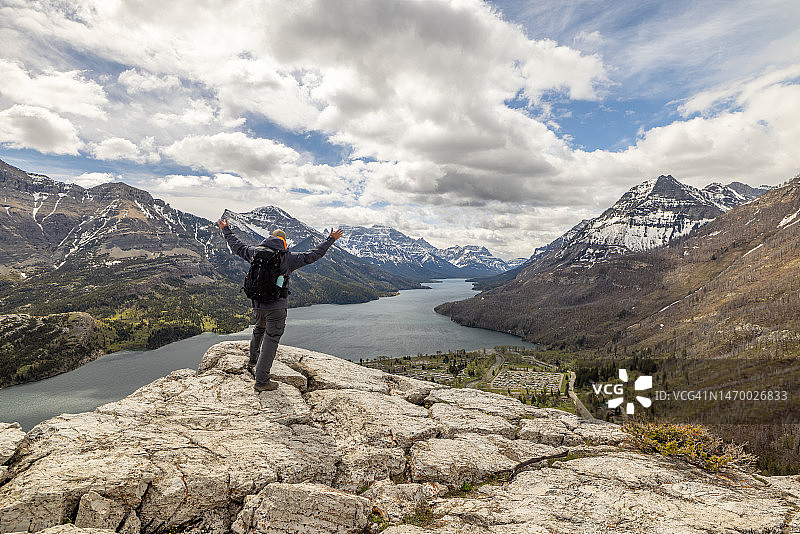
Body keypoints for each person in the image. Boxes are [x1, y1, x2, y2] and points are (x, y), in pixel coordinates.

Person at [217, 218, 344, 391]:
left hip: (257, 304)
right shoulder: (288, 257)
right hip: (276, 307)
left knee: (258, 329)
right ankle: (262, 381)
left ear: (269, 239)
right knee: (271, 339)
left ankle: (253, 360)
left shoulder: (253, 252)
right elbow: (313, 255)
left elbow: (236, 245)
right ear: (283, 242)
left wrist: (226, 229)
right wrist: (331, 239)